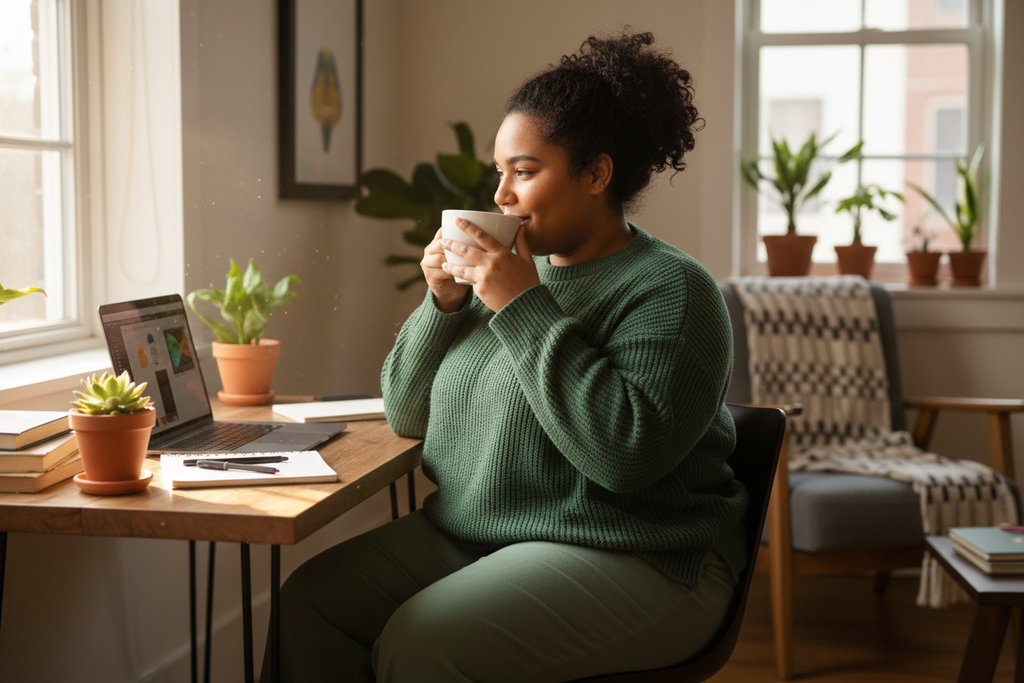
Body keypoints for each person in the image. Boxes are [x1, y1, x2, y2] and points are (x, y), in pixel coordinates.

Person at [264, 29, 746, 683]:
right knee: (311, 604)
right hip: (479, 532)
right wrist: (442, 303)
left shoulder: (673, 291)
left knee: (422, 642)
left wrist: (520, 304)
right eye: (500, 171)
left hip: (641, 549)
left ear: (597, 174)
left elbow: (623, 457)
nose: (500, 195)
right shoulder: (508, 274)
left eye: (524, 171)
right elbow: (407, 412)